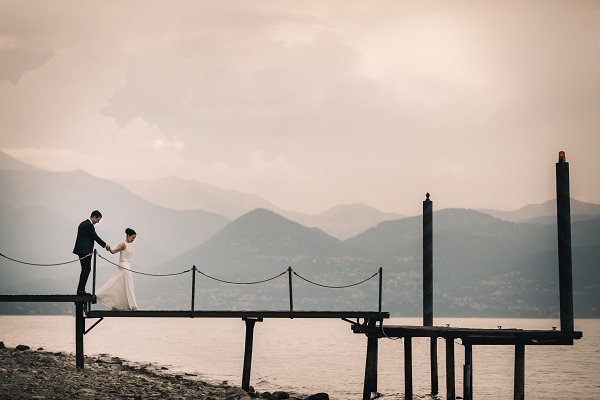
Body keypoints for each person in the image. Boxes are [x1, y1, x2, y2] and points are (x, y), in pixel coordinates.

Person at [96, 228, 139, 311]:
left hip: (128, 265)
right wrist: (108, 248)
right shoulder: (123, 244)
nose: (133, 240)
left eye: (134, 238)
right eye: (133, 238)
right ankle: (132, 306)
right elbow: (114, 251)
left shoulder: (130, 245)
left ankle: (122, 304)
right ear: (128, 236)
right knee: (128, 285)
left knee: (121, 285)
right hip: (123, 265)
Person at [73, 210, 111, 295]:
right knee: (86, 269)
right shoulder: (89, 225)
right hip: (85, 251)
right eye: (98, 220)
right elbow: (95, 237)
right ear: (94, 217)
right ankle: (80, 290)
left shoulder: (82, 223)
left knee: (84, 269)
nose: (98, 222)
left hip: (80, 250)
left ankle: (80, 289)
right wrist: (105, 245)